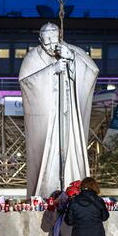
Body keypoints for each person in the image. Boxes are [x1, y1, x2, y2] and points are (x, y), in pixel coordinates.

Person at [18, 22, 99, 197]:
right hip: (48, 119)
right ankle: (46, 193)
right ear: (40, 40)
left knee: (71, 152)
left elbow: (92, 71)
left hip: (69, 116)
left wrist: (72, 60)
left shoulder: (72, 51)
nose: (50, 46)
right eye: (46, 42)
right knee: (48, 156)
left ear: (60, 36)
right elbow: (26, 82)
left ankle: (73, 188)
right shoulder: (32, 58)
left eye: (53, 41)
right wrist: (51, 71)